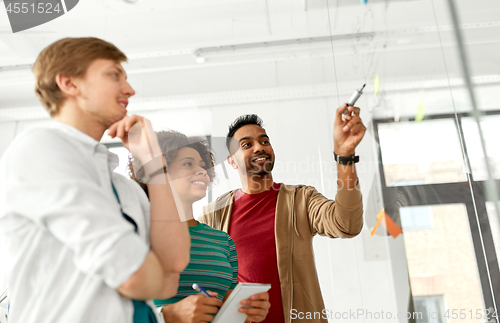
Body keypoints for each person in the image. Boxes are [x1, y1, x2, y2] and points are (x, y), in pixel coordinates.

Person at [0, 37, 191, 323]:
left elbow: (173, 267)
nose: (130, 89)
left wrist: (154, 165)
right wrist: (145, 272)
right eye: (114, 75)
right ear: (69, 83)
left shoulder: (123, 187)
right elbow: (136, 276)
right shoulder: (39, 147)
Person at [199, 109, 366, 323]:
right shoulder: (213, 216)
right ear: (232, 161)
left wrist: (345, 158)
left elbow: (347, 224)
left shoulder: (301, 200)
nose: (260, 147)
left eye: (264, 141)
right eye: (247, 145)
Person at [127, 130, 270, 323]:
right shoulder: (133, 235)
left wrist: (248, 312)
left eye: (203, 166)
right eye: (188, 164)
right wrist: (168, 316)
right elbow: (106, 309)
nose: (203, 171)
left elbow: (229, 314)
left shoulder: (223, 242)